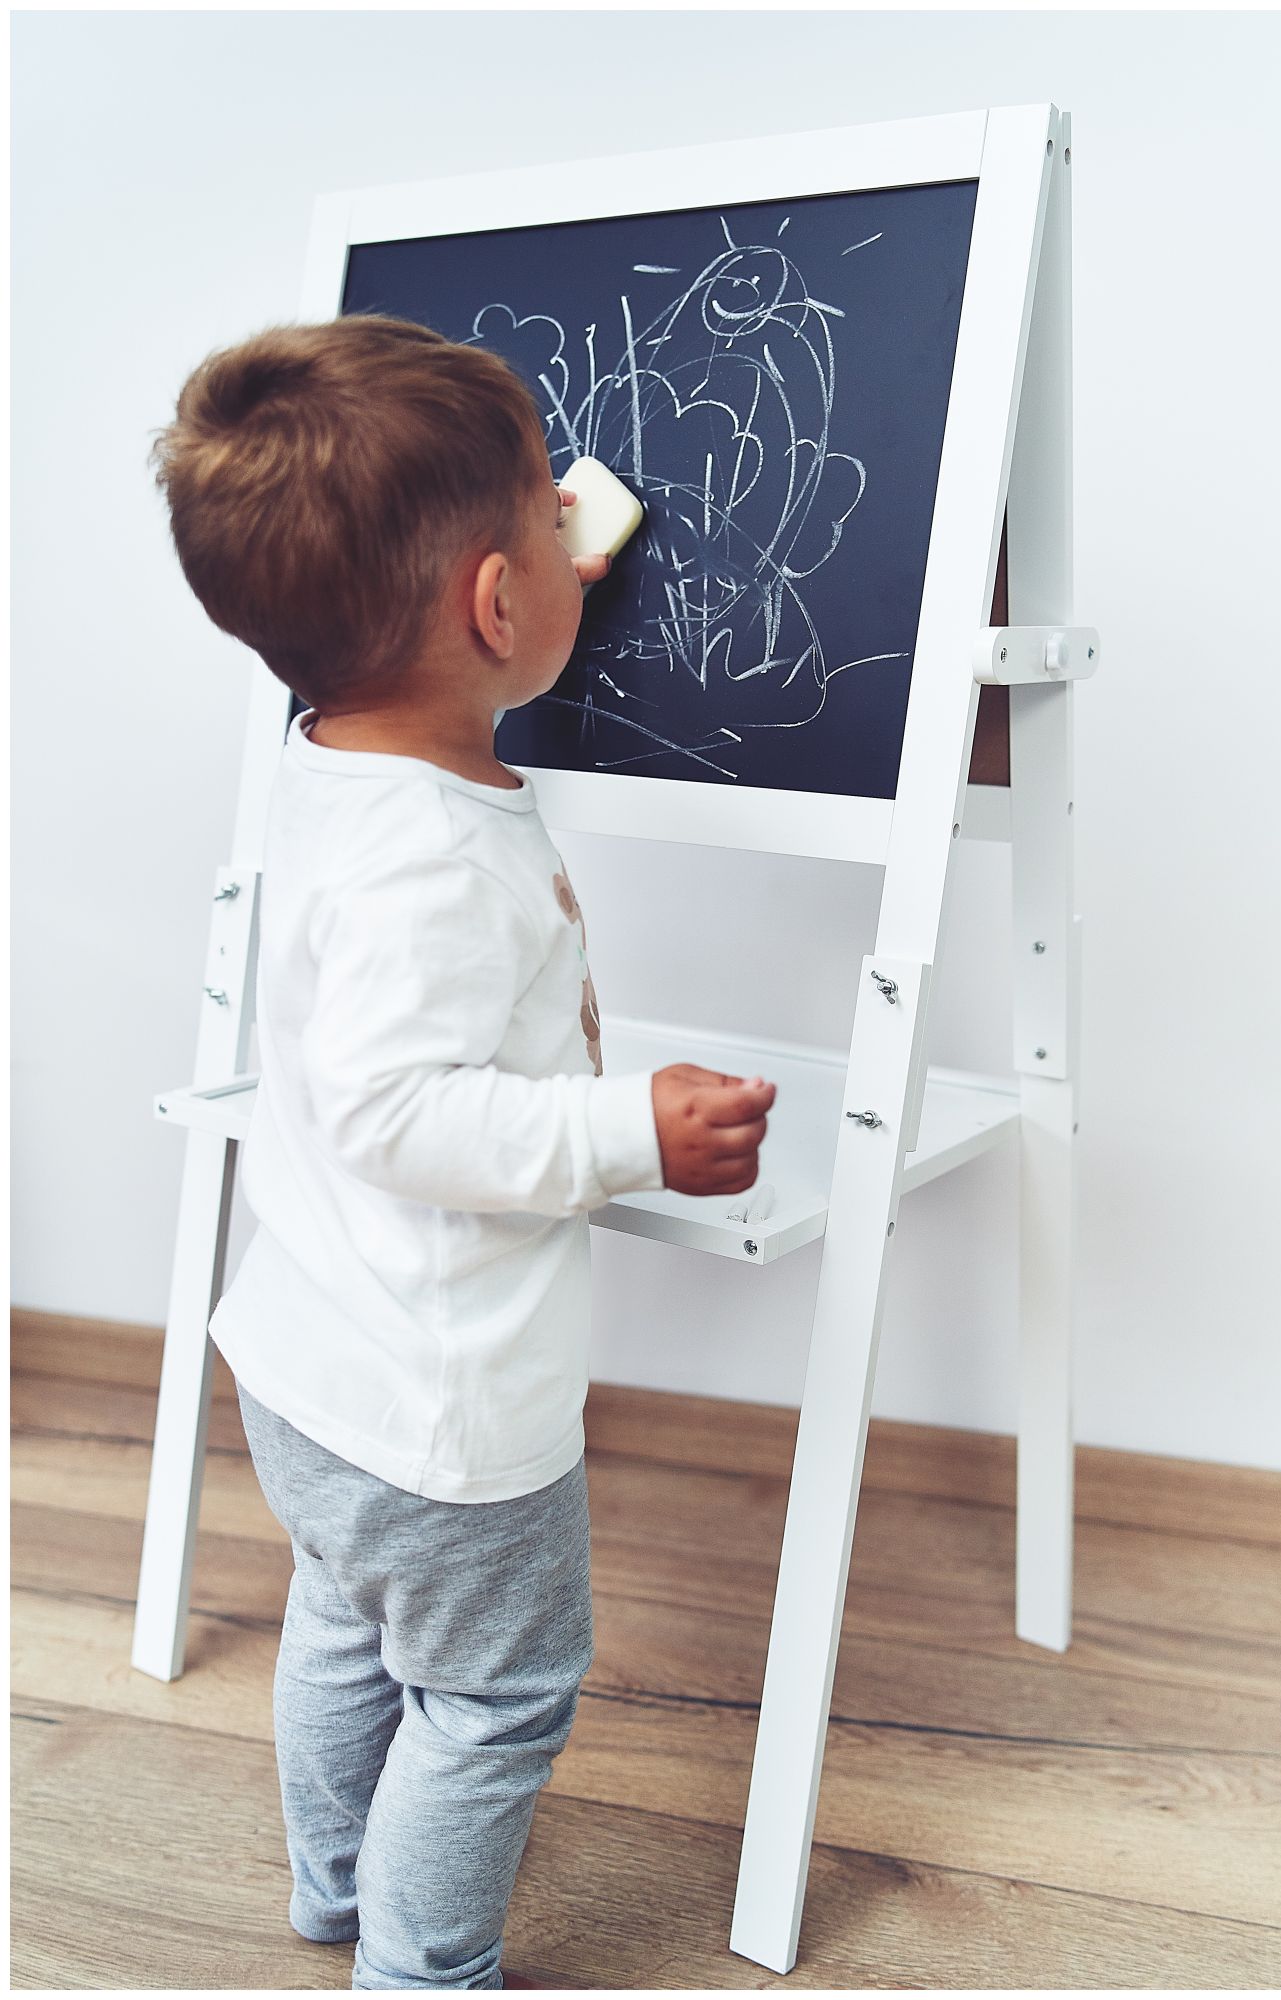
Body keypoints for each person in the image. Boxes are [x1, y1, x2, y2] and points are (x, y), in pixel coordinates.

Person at [149, 313, 776, 1991]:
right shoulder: (437, 860)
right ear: (498, 608)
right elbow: (397, 1108)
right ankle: (422, 1966)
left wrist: (524, 535)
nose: (581, 539)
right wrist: (625, 1127)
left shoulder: (329, 761)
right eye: (547, 529)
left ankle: (333, 1884)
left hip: (309, 1365)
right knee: (494, 1694)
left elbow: (354, 1081)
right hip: (437, 1414)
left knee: (348, 1622)